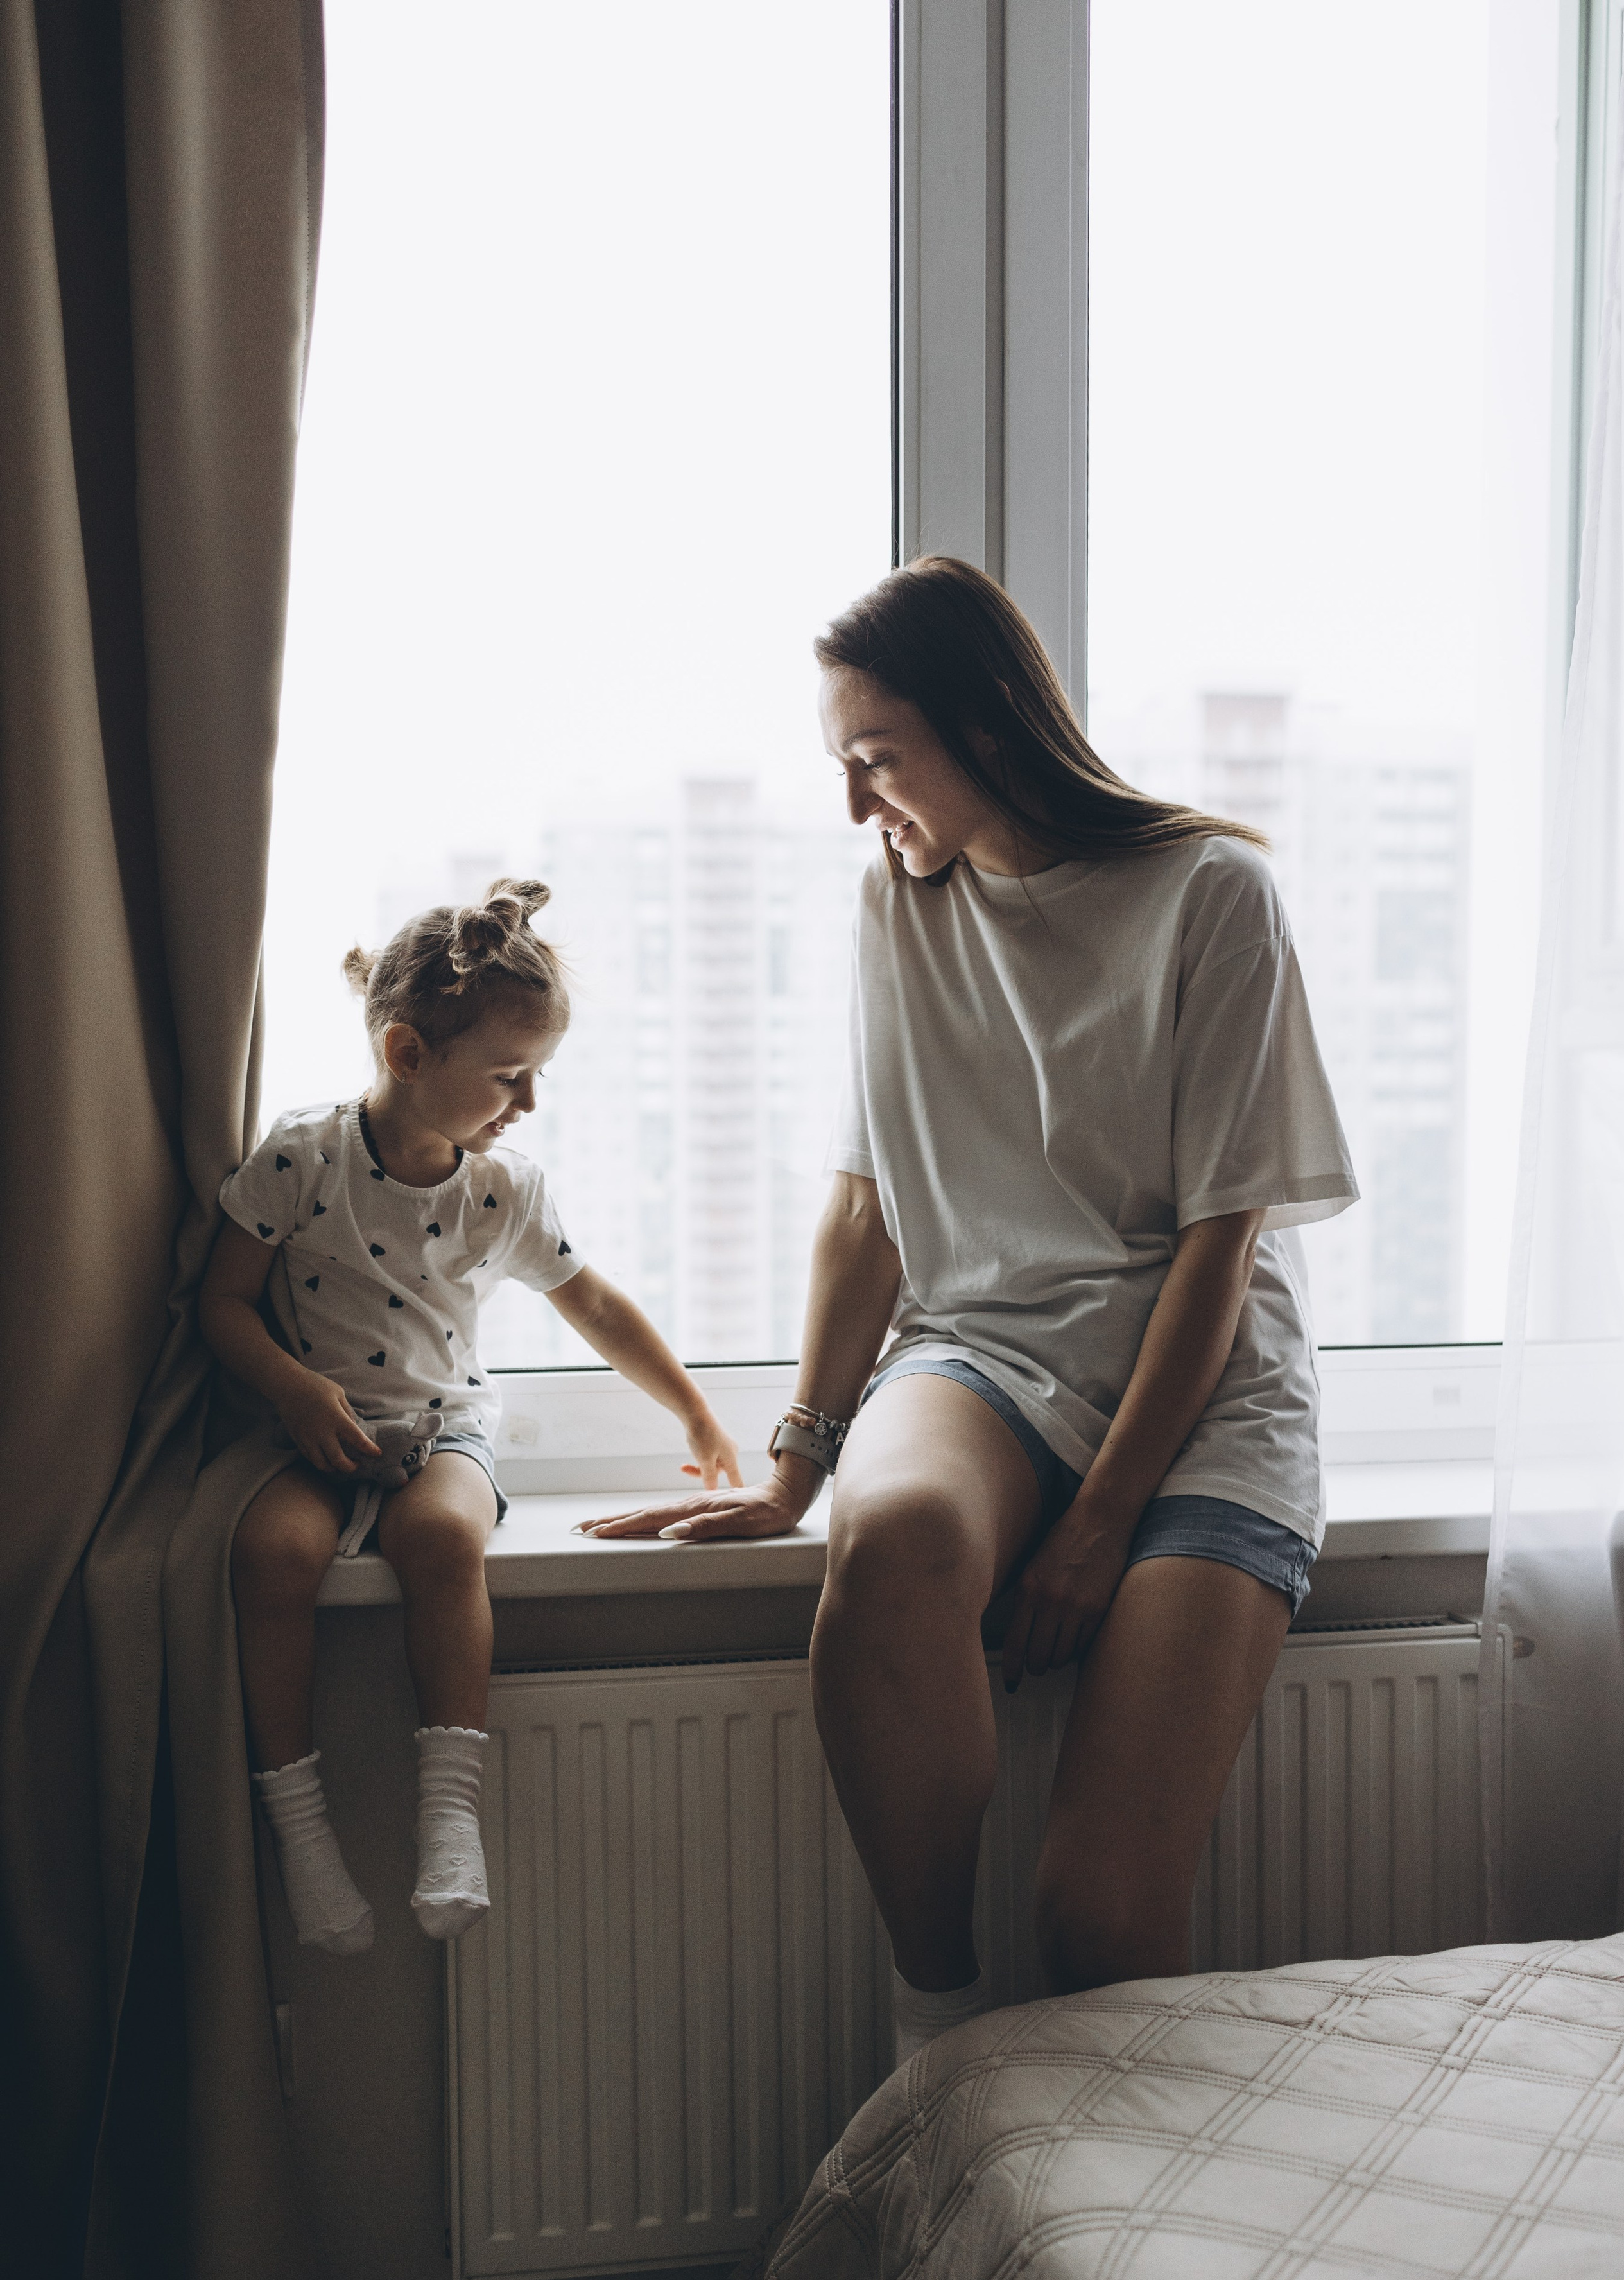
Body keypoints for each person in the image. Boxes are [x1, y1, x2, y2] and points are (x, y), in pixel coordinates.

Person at [580, 559, 1358, 2068]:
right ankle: (928, 2037)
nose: (857, 803)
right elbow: (870, 1209)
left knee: (1099, 1922)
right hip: (987, 1354)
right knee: (892, 1539)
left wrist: (1095, 1524)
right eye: (843, 766)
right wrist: (795, 1466)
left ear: (989, 727)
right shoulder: (895, 905)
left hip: (1203, 1401)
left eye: (874, 759)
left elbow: (1217, 1249)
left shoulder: (1212, 896)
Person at [202, 880, 741, 1953]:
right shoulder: (302, 1160)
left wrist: (693, 1412)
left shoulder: (504, 1189)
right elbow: (219, 1303)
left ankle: (449, 1812)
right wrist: (297, 1393)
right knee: (270, 1557)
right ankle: (300, 1833)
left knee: (445, 1538)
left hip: (443, 1424)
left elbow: (591, 1301)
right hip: (315, 1427)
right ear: (408, 1055)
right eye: (508, 1077)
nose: (526, 1105)